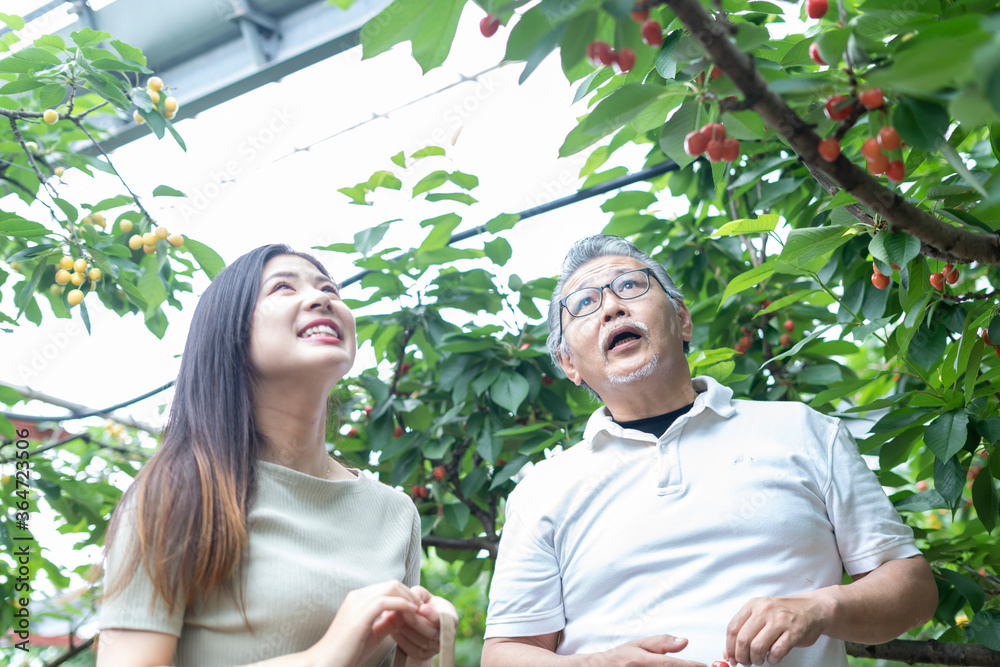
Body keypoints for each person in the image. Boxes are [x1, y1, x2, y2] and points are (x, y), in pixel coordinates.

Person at [481, 234, 937, 667]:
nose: (612, 308)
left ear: (681, 319)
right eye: (583, 305)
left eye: (630, 286)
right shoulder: (541, 489)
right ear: (568, 364)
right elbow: (503, 653)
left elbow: (914, 590)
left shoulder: (802, 429)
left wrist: (819, 607)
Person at [97, 244, 454, 667]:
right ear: (230, 333)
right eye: (282, 287)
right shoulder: (176, 493)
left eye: (330, 290)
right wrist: (325, 655)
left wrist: (423, 646)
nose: (323, 298)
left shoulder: (395, 513)